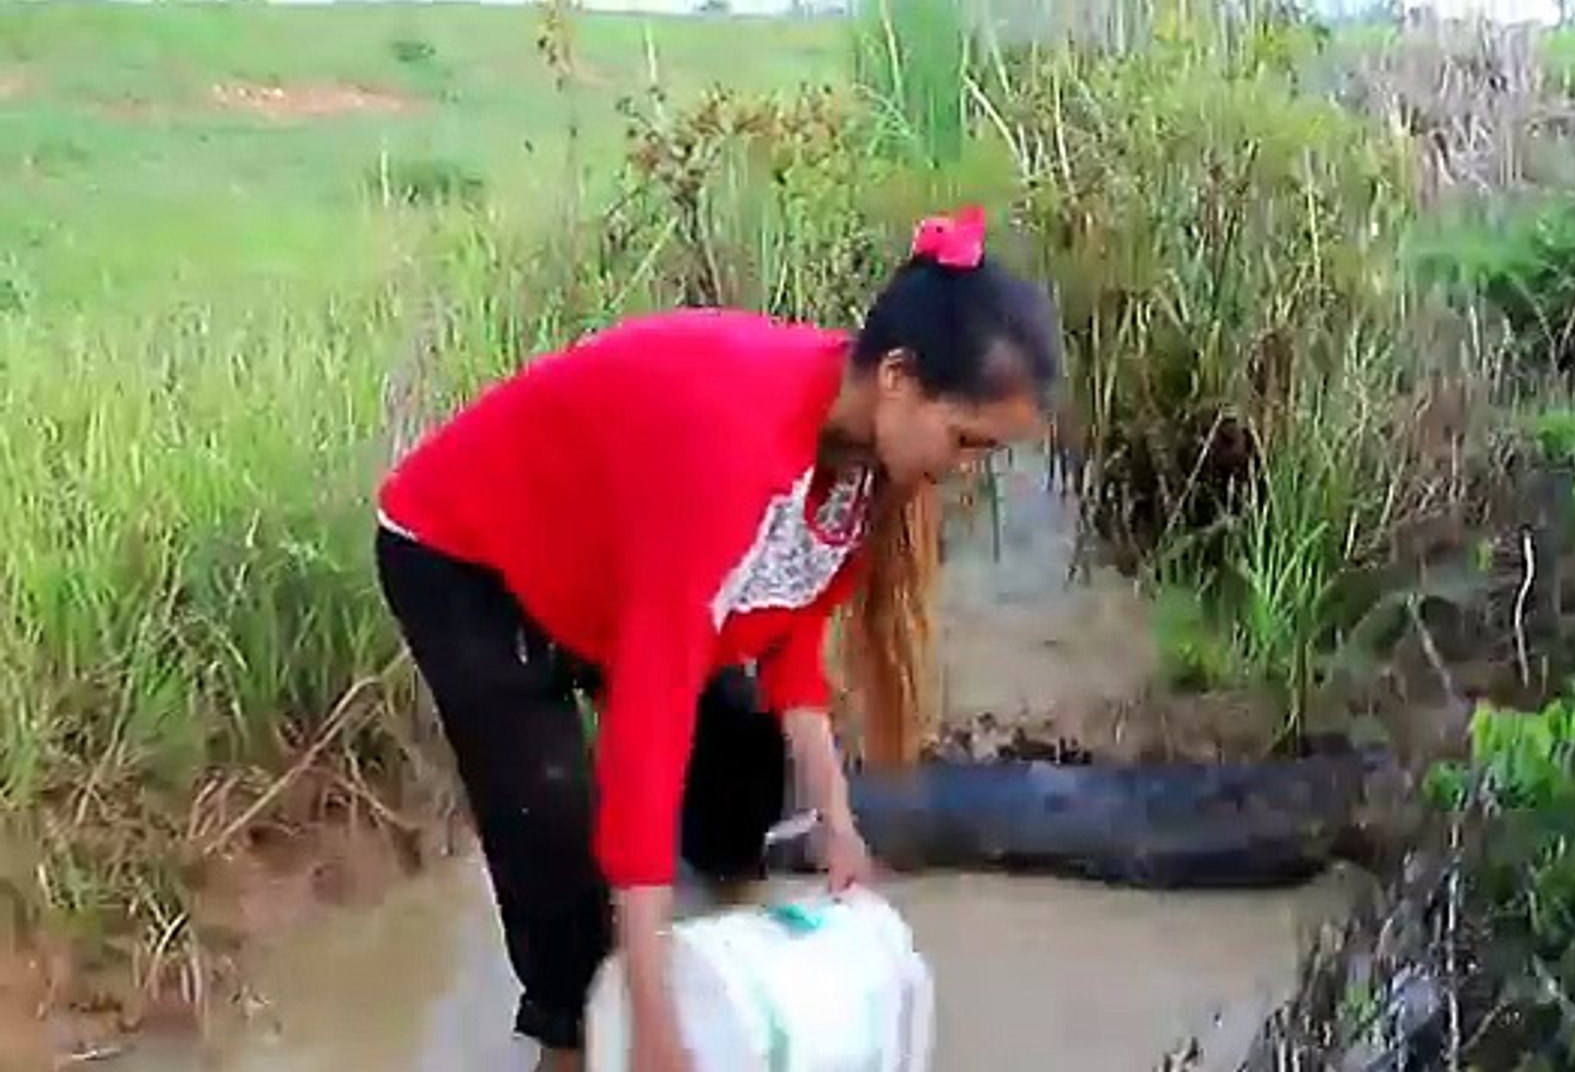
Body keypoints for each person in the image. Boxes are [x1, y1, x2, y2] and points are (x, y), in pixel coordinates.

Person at [371, 205, 1061, 1072]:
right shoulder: (735, 454)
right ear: (897, 376)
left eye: (986, 455)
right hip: (471, 557)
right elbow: (647, 735)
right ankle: (578, 1031)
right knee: (557, 868)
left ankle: (706, 946)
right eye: (966, 441)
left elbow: (790, 631)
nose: (965, 469)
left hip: (613, 553)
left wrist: (835, 821)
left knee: (741, 759)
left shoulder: (855, 463)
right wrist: (651, 1012)